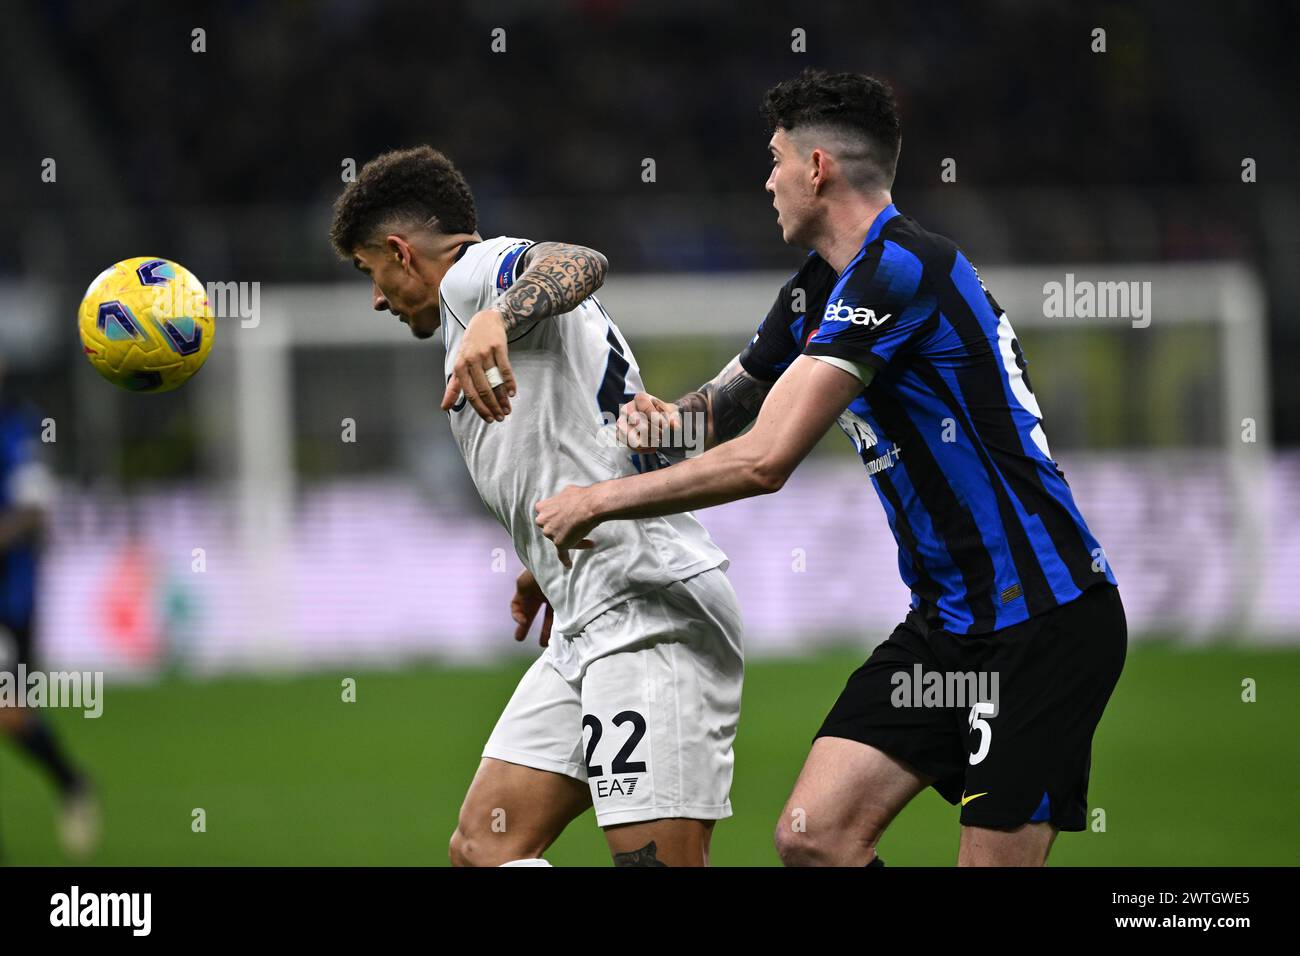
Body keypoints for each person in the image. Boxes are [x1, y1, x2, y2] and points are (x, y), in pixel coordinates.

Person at [534, 70, 1127, 866]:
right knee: (813, 838)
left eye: (775, 159)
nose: (766, 179)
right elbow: (721, 417)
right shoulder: (824, 287)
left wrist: (601, 501)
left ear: (817, 169)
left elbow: (765, 460)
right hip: (947, 629)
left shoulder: (901, 271)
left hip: (1043, 624)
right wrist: (657, 425)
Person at [329, 147, 743, 866]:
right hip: (586, 611)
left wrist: (496, 314)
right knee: (484, 848)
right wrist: (541, 561)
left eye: (371, 272)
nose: (376, 297)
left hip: (645, 608)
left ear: (400, 251)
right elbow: (580, 435)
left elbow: (577, 260)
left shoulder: (473, 278)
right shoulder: (475, 302)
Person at [0, 366, 99, 860]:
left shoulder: (19, 427)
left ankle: (71, 781)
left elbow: (35, 510)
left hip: (9, 600)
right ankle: (71, 781)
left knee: (9, 713)